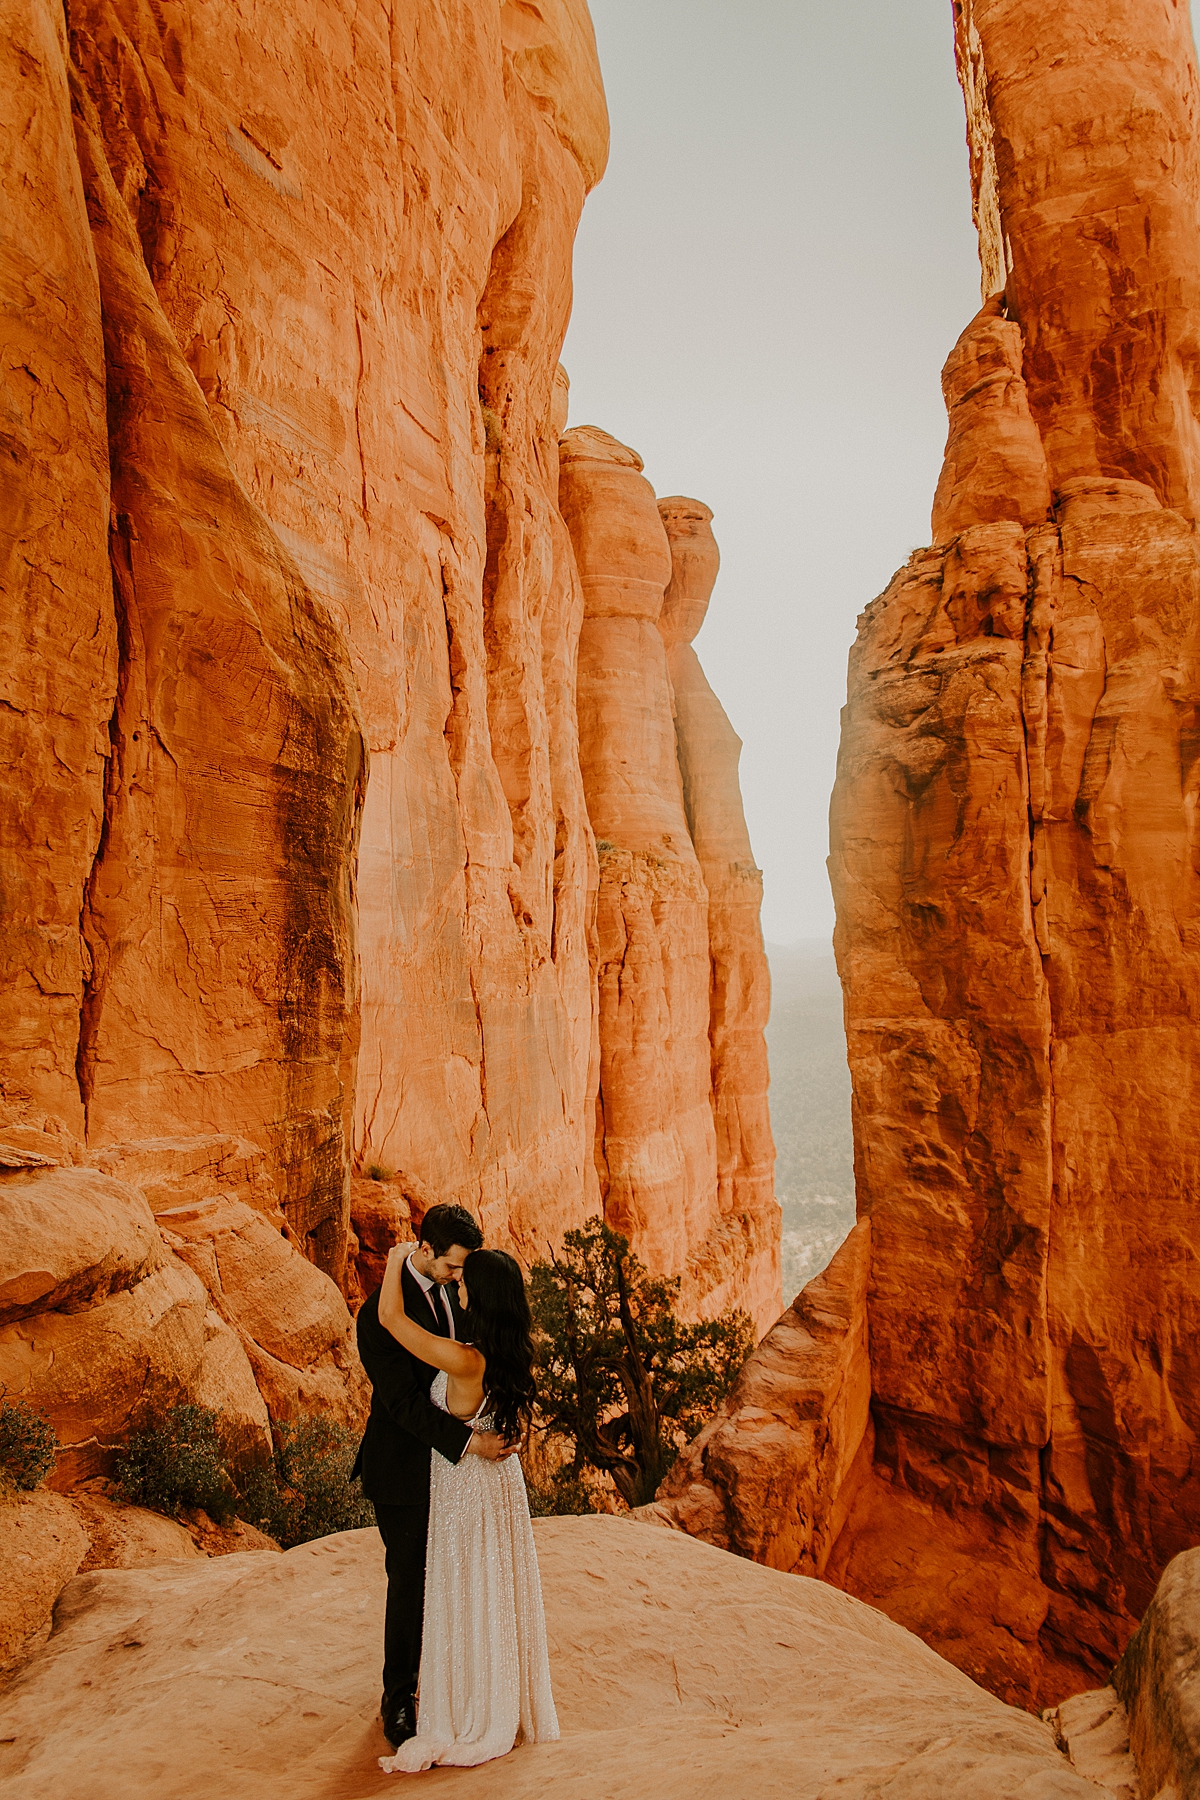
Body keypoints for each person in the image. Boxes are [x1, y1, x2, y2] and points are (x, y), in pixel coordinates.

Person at [374, 1238, 559, 1773]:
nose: (457, 1287)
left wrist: (394, 1262)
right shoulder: (511, 1350)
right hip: (500, 1487)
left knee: (464, 1589)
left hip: (466, 1489)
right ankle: (498, 1693)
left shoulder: (464, 1360)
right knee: (494, 1588)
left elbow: (389, 1317)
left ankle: (468, 1705)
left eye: (464, 1283)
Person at [352, 1203, 515, 1751]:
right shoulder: (378, 1314)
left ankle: (453, 1686)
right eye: (451, 1267)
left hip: (455, 1478)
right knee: (409, 1579)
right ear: (425, 1251)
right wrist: (471, 1442)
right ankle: (398, 1699)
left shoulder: (456, 1290)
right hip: (402, 1468)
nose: (456, 1278)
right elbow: (400, 1403)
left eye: (463, 1270)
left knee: (451, 1578)